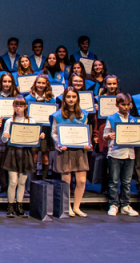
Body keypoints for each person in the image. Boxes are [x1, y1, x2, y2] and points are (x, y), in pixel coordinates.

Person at [50, 87, 91, 217]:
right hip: (65, 151)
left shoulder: (83, 114)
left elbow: (85, 132)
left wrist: (87, 143)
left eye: (73, 96)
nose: (71, 99)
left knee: (81, 181)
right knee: (66, 181)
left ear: (77, 98)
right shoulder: (58, 115)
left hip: (79, 151)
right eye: (68, 97)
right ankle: (68, 207)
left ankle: (77, 206)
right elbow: (54, 133)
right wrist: (59, 144)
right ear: (64, 98)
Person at [1, 95, 43, 218]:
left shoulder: (31, 120)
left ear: (25, 107)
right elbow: (3, 139)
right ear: (13, 106)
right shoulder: (9, 121)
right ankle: (10, 206)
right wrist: (5, 136)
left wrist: (39, 137)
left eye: (21, 105)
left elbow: (34, 138)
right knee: (13, 181)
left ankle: (20, 206)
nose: (18, 108)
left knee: (22, 181)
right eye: (16, 105)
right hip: (13, 152)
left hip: (25, 153)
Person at [103, 93, 139, 216]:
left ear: (131, 105)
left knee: (127, 181)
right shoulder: (111, 118)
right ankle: (114, 204)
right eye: (123, 104)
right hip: (115, 154)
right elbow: (105, 135)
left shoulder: (134, 120)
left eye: (128, 105)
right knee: (113, 181)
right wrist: (108, 136)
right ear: (117, 105)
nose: (125, 107)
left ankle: (125, 204)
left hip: (129, 154)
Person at [25, 74, 56, 180]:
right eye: (39, 82)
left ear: (47, 85)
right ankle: (32, 181)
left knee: (45, 156)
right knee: (34, 155)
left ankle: (44, 180)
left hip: (46, 129)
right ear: (35, 84)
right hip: (33, 129)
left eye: (43, 83)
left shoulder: (51, 100)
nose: (41, 85)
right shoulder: (29, 98)